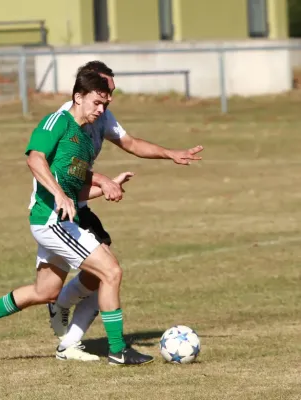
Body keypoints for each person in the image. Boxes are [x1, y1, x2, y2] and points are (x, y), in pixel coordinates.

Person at [0, 70, 153, 366]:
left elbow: (76, 187)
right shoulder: (57, 122)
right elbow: (34, 158)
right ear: (78, 97)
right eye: (97, 102)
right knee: (110, 273)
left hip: (60, 220)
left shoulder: (86, 141)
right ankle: (117, 349)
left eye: (106, 104)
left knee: (45, 291)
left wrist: (107, 184)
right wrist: (59, 196)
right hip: (52, 220)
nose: (102, 110)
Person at [47, 61, 204, 361]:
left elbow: (130, 142)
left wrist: (170, 153)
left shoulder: (101, 114)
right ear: (87, 91)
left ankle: (68, 332)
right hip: (57, 207)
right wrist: (103, 181)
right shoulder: (68, 120)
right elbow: (64, 165)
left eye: (111, 94)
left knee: (103, 272)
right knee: (104, 273)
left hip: (80, 202)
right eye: (105, 92)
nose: (109, 98)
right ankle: (106, 343)